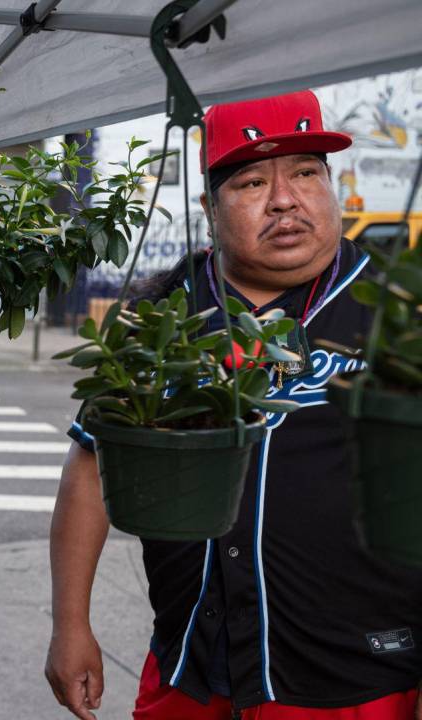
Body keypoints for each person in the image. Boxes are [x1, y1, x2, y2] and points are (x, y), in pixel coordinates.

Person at [44, 90, 422, 719]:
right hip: (193, 667)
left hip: (358, 676)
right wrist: (70, 623)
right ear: (208, 208)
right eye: (251, 181)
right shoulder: (158, 317)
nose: (284, 198)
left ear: (330, 185)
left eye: (305, 173)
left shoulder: (399, 314)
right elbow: (90, 469)